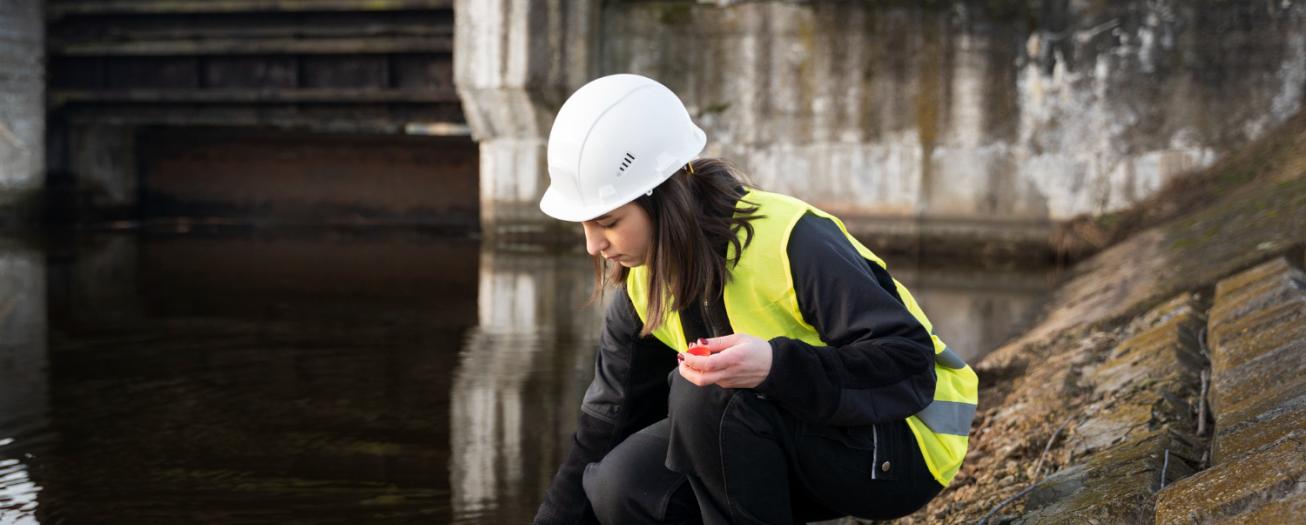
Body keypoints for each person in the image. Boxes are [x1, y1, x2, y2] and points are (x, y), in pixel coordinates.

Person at [532, 74, 978, 525]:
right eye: (585, 225)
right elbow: (606, 424)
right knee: (621, 483)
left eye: (607, 222)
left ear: (663, 196)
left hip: (904, 446)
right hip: (804, 435)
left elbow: (909, 363)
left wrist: (774, 367)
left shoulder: (792, 241)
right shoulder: (642, 283)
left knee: (705, 394)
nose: (593, 246)